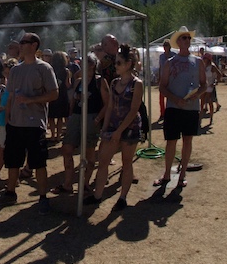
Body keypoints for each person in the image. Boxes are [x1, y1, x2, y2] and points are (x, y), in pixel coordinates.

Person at [0, 32, 58, 215]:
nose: (20, 45)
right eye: (20, 42)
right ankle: (10, 192)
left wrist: (30, 100)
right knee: (13, 161)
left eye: (24, 42)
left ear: (34, 45)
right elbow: (11, 95)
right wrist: (6, 111)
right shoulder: (15, 70)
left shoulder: (44, 68)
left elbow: (54, 94)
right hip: (15, 124)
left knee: (38, 162)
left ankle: (43, 198)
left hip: (35, 124)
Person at [88, 43, 143, 210]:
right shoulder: (114, 83)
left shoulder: (137, 84)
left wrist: (119, 131)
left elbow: (134, 110)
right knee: (103, 160)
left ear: (128, 64)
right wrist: (105, 129)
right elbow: (110, 107)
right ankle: (97, 195)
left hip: (130, 127)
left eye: (119, 63)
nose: (116, 66)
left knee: (127, 162)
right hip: (113, 126)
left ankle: (122, 198)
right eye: (116, 62)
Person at [156, 26, 205, 190]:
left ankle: (182, 174)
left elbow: (204, 85)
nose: (187, 40)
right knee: (171, 142)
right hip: (173, 108)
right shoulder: (170, 63)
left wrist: (195, 95)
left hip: (191, 108)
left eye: (188, 38)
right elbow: (162, 87)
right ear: (177, 42)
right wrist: (176, 99)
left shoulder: (198, 62)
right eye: (184, 38)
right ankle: (167, 174)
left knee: (187, 141)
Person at [55, 53, 106, 196]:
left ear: (92, 65)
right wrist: (70, 115)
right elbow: (72, 101)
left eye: (85, 62)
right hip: (76, 117)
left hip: (91, 118)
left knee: (89, 152)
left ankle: (85, 183)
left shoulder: (99, 82)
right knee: (67, 149)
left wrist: (98, 119)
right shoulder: (78, 81)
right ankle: (68, 183)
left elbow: (107, 103)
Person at [48, 51, 71, 142]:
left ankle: (53, 135)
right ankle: (58, 136)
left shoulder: (50, 69)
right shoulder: (66, 71)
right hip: (62, 96)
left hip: (52, 94)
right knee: (61, 117)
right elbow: (68, 84)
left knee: (51, 117)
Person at [201, 53, 223, 125]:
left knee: (210, 102)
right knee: (202, 102)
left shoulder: (212, 66)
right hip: (203, 86)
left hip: (210, 86)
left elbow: (219, 74)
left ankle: (211, 118)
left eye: (205, 58)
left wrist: (215, 83)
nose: (204, 60)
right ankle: (200, 118)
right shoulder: (203, 66)